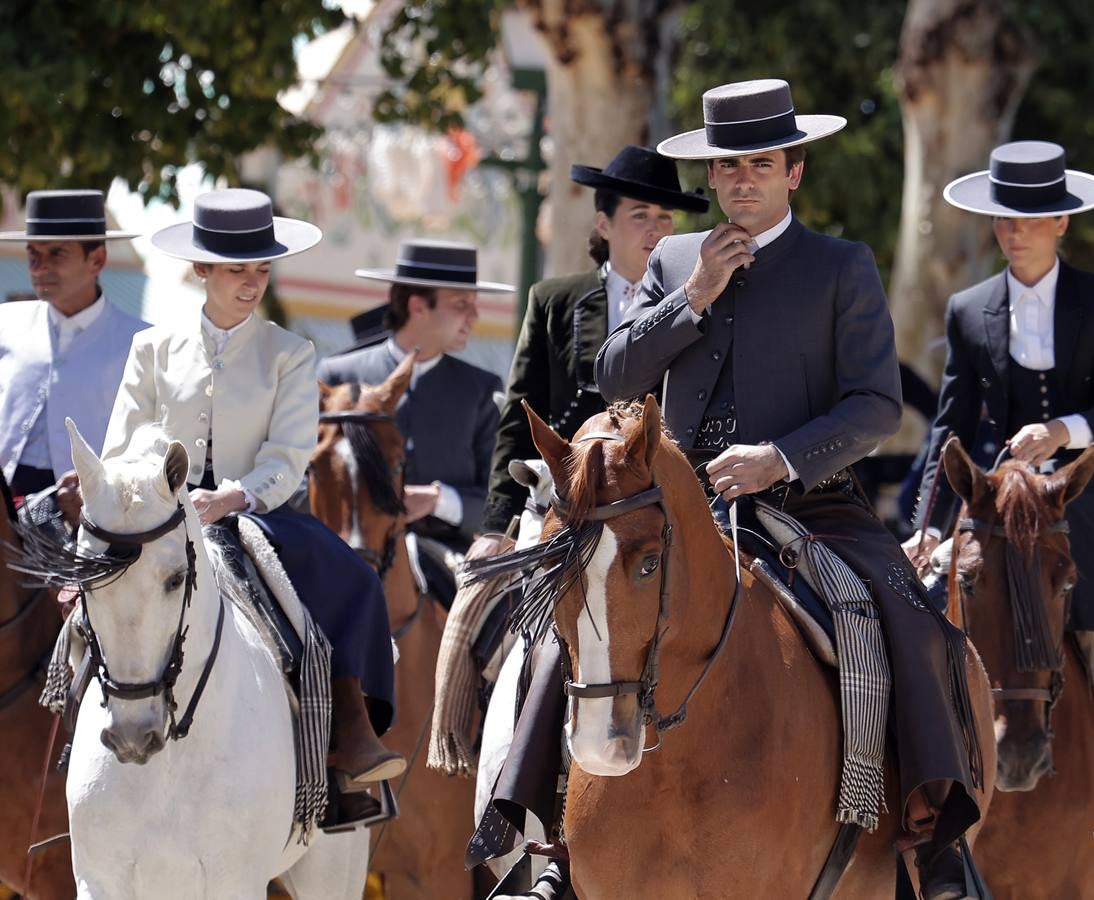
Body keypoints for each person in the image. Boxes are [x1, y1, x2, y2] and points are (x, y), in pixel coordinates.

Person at [597, 77, 983, 895]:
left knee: (917, 625)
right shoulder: (671, 259)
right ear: (710, 178)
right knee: (571, 604)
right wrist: (692, 296)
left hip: (810, 503)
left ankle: (932, 837)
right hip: (676, 509)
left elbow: (876, 405)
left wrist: (779, 458)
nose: (741, 181)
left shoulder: (842, 266)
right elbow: (613, 377)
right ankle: (541, 835)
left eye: (760, 165)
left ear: (793, 173)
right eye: (728, 168)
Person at [103, 188, 404, 804]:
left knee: (355, 580)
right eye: (238, 269)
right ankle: (63, 723)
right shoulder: (151, 350)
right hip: (158, 517)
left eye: (261, 269)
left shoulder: (291, 354)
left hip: (253, 517)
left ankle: (347, 735)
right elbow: (123, 446)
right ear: (201, 270)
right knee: (78, 592)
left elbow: (288, 457)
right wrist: (160, 500)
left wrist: (231, 498)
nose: (252, 281)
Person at [904, 141, 1094, 705]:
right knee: (933, 592)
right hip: (1002, 487)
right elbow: (948, 429)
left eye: (1029, 220)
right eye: (1004, 220)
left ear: (1060, 220)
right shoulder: (967, 308)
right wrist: (930, 525)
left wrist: (1059, 432)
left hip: (1091, 480)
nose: (1014, 233)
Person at [476, 145, 709, 555]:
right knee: (474, 604)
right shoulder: (555, 301)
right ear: (604, 224)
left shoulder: (704, 297)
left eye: (665, 218)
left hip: (666, 499)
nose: (656, 230)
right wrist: (497, 526)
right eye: (640, 216)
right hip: (566, 499)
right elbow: (519, 416)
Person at [318, 239, 509, 602]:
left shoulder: (481, 390)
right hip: (347, 558)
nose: (474, 316)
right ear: (418, 306)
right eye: (461, 305)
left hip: (449, 569)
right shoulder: (338, 376)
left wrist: (438, 500)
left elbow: (496, 501)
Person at [0, 189, 146, 510]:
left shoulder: (140, 342)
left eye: (57, 254)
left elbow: (148, 447)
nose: (40, 267)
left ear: (97, 259)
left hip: (88, 518)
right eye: (33, 254)